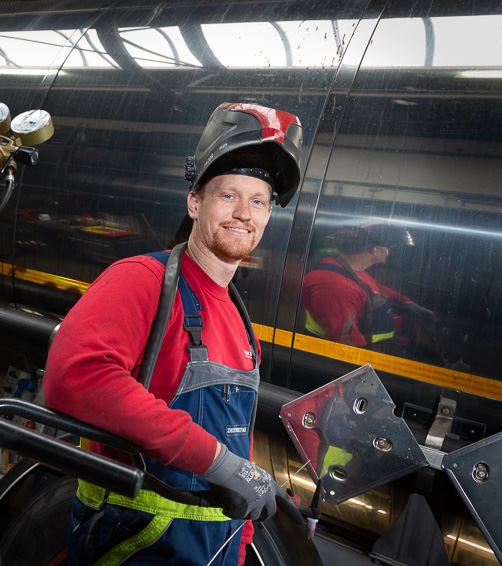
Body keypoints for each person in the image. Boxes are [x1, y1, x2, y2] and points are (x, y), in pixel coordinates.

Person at [43, 103, 303, 565]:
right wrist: (219, 463)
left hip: (210, 551)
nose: (244, 213)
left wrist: (240, 542)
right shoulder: (143, 279)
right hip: (135, 543)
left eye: (259, 201)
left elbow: (234, 444)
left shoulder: (243, 324)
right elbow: (76, 376)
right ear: (195, 202)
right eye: (229, 196)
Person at [302, 224, 434, 348]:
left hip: (377, 346)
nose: (390, 252)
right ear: (375, 250)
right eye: (389, 248)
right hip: (364, 351)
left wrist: (408, 303)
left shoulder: (351, 269)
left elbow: (375, 288)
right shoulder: (336, 286)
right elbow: (347, 340)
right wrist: (369, 357)